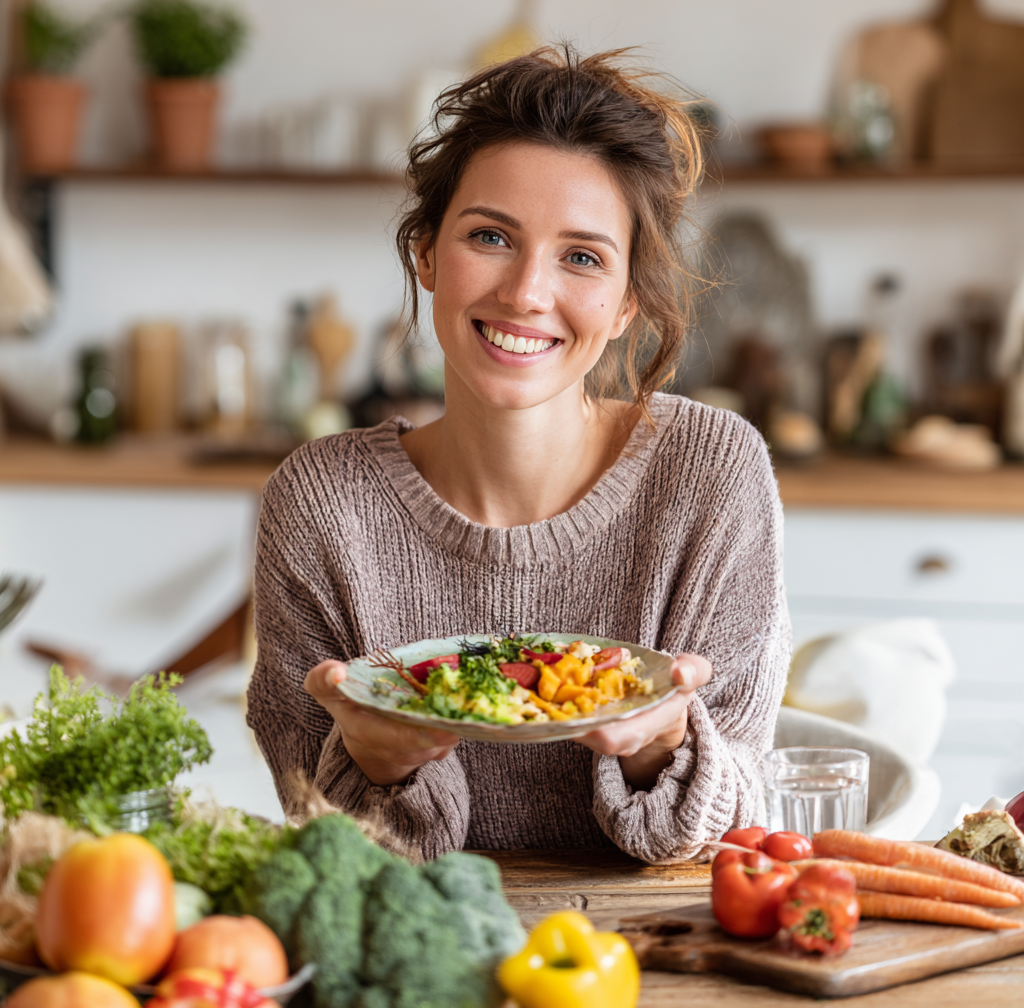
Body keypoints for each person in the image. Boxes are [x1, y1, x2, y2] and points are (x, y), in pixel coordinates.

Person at [247, 46, 790, 862]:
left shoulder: (710, 473)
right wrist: (372, 766)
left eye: (582, 257)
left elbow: (744, 818)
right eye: (492, 236)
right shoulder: (322, 503)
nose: (528, 292)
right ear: (426, 253)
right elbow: (327, 856)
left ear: (625, 304)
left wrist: (656, 750)